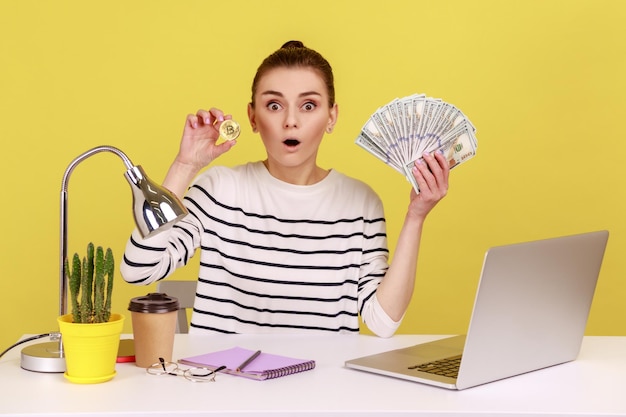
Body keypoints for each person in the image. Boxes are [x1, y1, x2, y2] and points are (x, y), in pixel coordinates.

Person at [121, 40, 449, 337]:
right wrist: (184, 166)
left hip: (319, 395)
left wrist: (416, 216)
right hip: (226, 391)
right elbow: (139, 270)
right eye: (274, 106)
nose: (290, 121)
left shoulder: (361, 203)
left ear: (331, 117)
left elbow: (383, 321)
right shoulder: (220, 190)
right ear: (252, 117)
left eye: (308, 105)